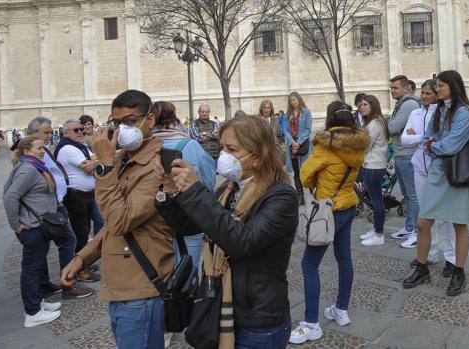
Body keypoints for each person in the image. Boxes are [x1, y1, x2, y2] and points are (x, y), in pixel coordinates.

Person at [154, 115, 298, 349]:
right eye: (222, 148)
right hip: (220, 304)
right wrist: (170, 191)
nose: (223, 156)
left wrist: (194, 190)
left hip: (258, 317)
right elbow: (192, 226)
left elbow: (241, 241)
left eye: (232, 149)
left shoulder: (281, 196)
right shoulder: (228, 188)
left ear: (259, 156)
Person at [61, 90, 175, 349]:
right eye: (117, 122)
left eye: (131, 121)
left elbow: (121, 220)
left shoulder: (158, 166)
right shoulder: (125, 159)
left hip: (140, 286)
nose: (123, 129)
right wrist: (82, 258)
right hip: (121, 285)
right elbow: (114, 229)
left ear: (150, 121)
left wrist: (104, 166)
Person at [290, 102, 368, 344]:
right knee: (344, 259)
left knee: (309, 264)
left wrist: (318, 183)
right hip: (348, 205)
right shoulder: (358, 145)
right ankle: (341, 309)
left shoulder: (325, 146)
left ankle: (312, 323)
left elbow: (303, 176)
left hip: (328, 209)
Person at [402, 70, 469, 296]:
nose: (437, 90)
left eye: (440, 86)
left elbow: (451, 145)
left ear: (453, 86)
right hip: (438, 171)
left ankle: (458, 271)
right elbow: (427, 136)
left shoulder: (464, 112)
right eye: (436, 86)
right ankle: (423, 266)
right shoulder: (440, 109)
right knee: (423, 222)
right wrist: (432, 143)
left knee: (458, 223)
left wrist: (432, 145)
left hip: (459, 172)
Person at [26, 117, 95, 299]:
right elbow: (13, 194)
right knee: (68, 241)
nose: (50, 136)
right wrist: (16, 223)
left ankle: (45, 283)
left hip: (56, 204)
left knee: (49, 246)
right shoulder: (29, 158)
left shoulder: (42, 151)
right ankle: (68, 284)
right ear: (34, 133)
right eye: (47, 132)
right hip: (49, 208)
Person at [3, 136, 62, 327]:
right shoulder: (28, 169)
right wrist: (16, 224)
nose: (42, 151)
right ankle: (32, 312)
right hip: (32, 227)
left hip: (38, 225)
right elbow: (10, 196)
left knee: (36, 266)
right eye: (39, 148)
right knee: (32, 268)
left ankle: (37, 303)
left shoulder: (32, 166)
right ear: (27, 151)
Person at [400, 80, 456, 276]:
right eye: (422, 93)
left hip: (439, 169)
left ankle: (451, 258)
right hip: (419, 167)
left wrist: (418, 136)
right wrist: (422, 138)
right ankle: (430, 253)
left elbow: (440, 138)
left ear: (436, 94)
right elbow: (404, 139)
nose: (424, 97)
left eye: (428, 93)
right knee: (425, 214)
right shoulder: (415, 113)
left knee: (448, 215)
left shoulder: (441, 113)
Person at [151, 100, 216, 267]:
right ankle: (187, 291)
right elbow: (209, 181)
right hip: (189, 214)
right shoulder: (190, 145)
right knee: (188, 266)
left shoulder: (145, 147)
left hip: (154, 217)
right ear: (174, 117)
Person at [55, 120, 100, 283]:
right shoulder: (67, 148)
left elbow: (93, 159)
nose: (80, 132)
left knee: (85, 228)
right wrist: (95, 160)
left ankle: (83, 262)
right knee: (80, 231)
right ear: (66, 133)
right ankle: (79, 269)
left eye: (81, 129)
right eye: (76, 130)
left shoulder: (80, 146)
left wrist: (94, 160)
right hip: (76, 196)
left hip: (86, 194)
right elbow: (89, 167)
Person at [387, 75, 421, 241]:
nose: (392, 91)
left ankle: (417, 230)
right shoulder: (401, 104)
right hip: (401, 153)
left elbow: (393, 127)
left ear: (406, 88)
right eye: (391, 88)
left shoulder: (409, 104)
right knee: (406, 194)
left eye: (395, 88)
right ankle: (409, 227)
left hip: (407, 154)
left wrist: (389, 121)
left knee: (412, 194)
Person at [358, 95, 390, 246]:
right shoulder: (373, 122)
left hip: (374, 166)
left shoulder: (375, 123)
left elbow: (364, 144)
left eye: (365, 104)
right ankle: (376, 229)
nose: (361, 107)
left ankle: (379, 235)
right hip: (371, 165)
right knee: (374, 200)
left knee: (377, 201)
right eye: (361, 105)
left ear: (373, 105)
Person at [79, 114, 105, 238]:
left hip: (99, 171)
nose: (87, 126)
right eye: (84, 125)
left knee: (98, 213)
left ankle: (99, 237)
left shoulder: (96, 135)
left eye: (89, 124)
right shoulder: (82, 140)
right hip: (91, 173)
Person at [285, 91, 312, 205]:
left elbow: (307, 129)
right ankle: (300, 196)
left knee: (306, 171)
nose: (293, 102)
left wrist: (298, 143)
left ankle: (311, 195)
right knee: (296, 172)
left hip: (303, 146)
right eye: (291, 100)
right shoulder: (287, 114)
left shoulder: (306, 112)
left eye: (294, 99)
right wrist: (292, 143)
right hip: (292, 148)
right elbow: (285, 130)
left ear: (299, 99)